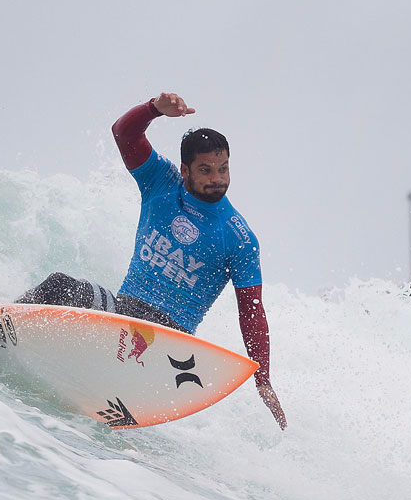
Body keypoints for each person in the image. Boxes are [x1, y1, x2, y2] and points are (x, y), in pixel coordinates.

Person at [17, 92, 286, 429]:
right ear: (185, 170)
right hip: (120, 313)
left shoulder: (239, 238)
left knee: (109, 341)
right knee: (59, 286)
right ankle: (2, 332)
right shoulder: (161, 182)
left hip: (168, 340)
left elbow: (252, 311)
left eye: (223, 168)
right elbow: (124, 133)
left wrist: (263, 379)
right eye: (205, 170)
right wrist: (153, 109)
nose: (217, 179)